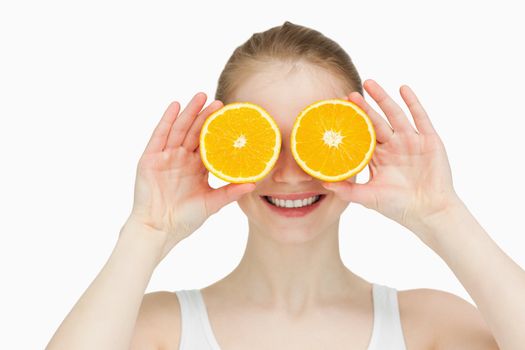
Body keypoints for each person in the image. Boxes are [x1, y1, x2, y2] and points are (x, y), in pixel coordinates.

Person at [46, 21, 523, 350]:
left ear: (362, 145)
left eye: (319, 141)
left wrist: (443, 214)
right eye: (263, 140)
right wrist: (146, 231)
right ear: (219, 151)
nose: (290, 172)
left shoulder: (429, 323)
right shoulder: (156, 327)